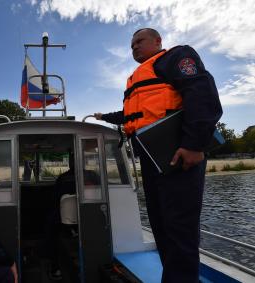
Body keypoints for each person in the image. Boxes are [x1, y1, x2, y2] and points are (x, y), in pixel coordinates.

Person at [95, 28, 222, 283]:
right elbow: (129, 115)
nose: (135, 48)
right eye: (131, 45)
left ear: (157, 41)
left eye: (139, 42)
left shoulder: (175, 58)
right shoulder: (137, 79)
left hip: (178, 156)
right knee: (161, 227)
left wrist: (195, 144)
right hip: (152, 161)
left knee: (179, 229)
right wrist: (103, 118)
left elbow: (201, 91)